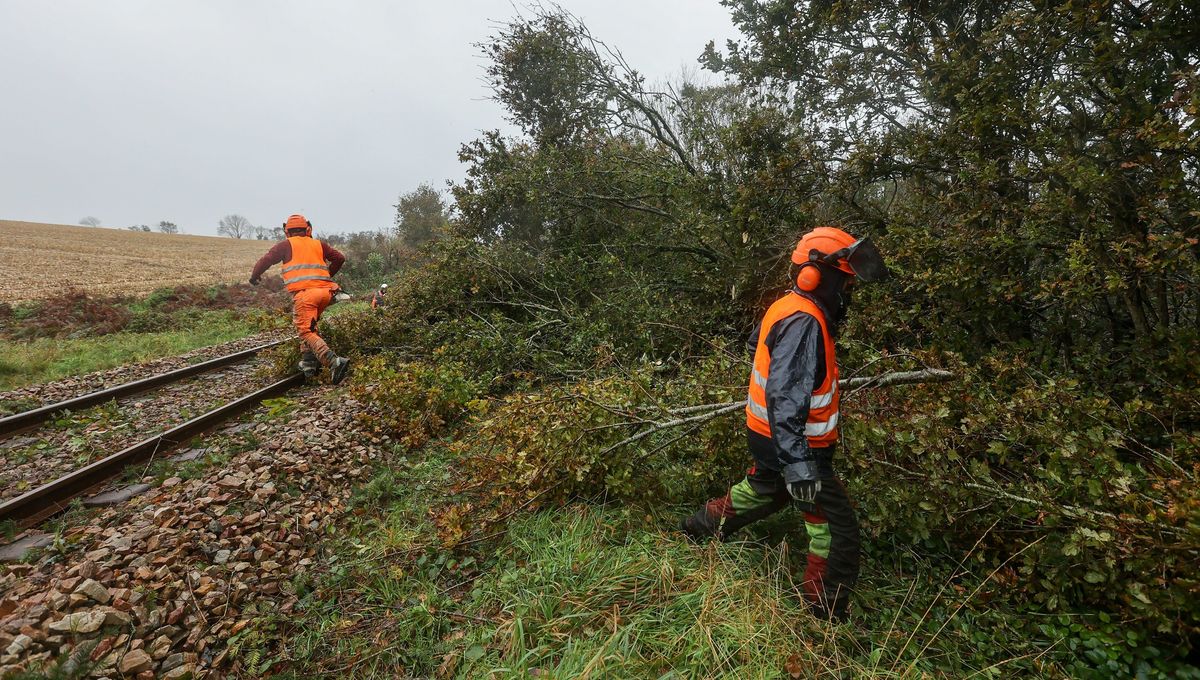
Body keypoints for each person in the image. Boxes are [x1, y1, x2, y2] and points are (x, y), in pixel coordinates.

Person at [680, 226, 888, 621]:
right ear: (816, 277)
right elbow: (785, 396)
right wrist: (799, 463)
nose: (845, 293)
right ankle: (822, 611)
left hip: (766, 437)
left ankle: (696, 529)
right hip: (794, 444)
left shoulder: (787, 305)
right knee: (833, 527)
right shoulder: (805, 322)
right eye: (843, 283)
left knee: (764, 491)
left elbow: (759, 344)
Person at [249, 213, 351, 384]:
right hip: (325, 293)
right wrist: (326, 276)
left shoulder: (285, 245)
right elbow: (340, 258)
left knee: (305, 331)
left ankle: (334, 362)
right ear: (307, 229)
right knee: (311, 327)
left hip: (306, 295)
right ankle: (310, 365)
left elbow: (265, 260)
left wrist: (254, 276)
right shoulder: (319, 244)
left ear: (286, 231)